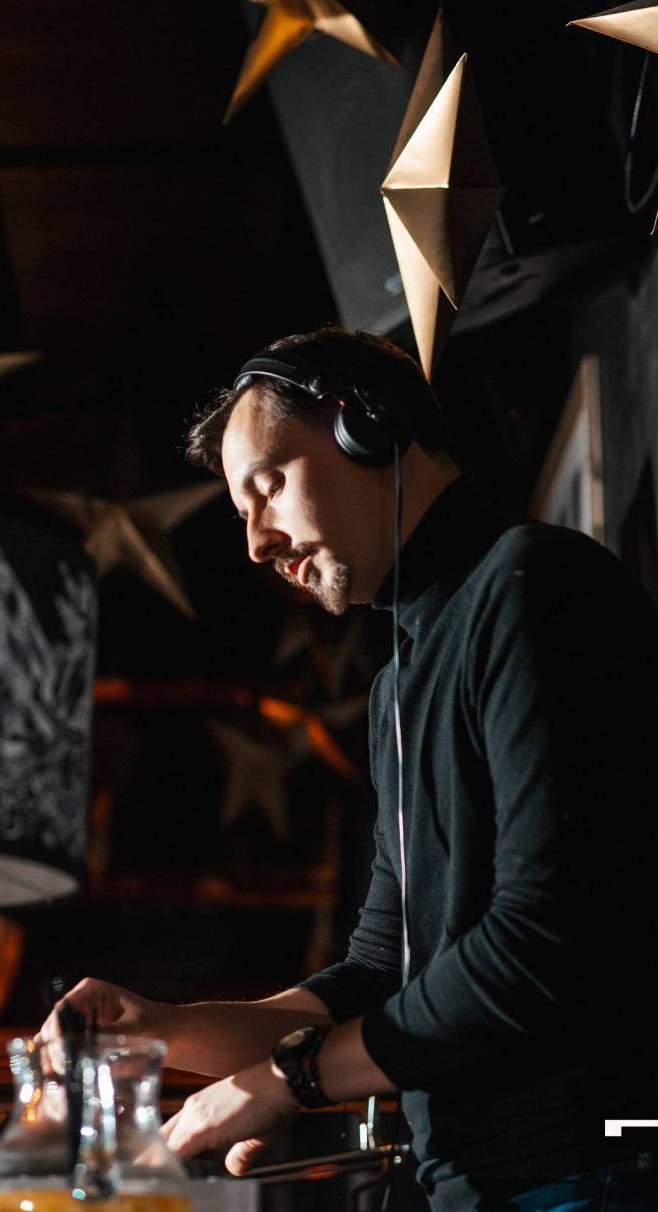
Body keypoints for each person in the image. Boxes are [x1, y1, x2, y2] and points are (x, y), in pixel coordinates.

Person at [41, 328, 658, 1211]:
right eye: (241, 512)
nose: (257, 543)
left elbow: (541, 937)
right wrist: (164, 1031)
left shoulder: (534, 588)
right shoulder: (397, 688)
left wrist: (291, 1080)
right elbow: (379, 972)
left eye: (267, 487)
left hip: (596, 1169)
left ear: (363, 427)